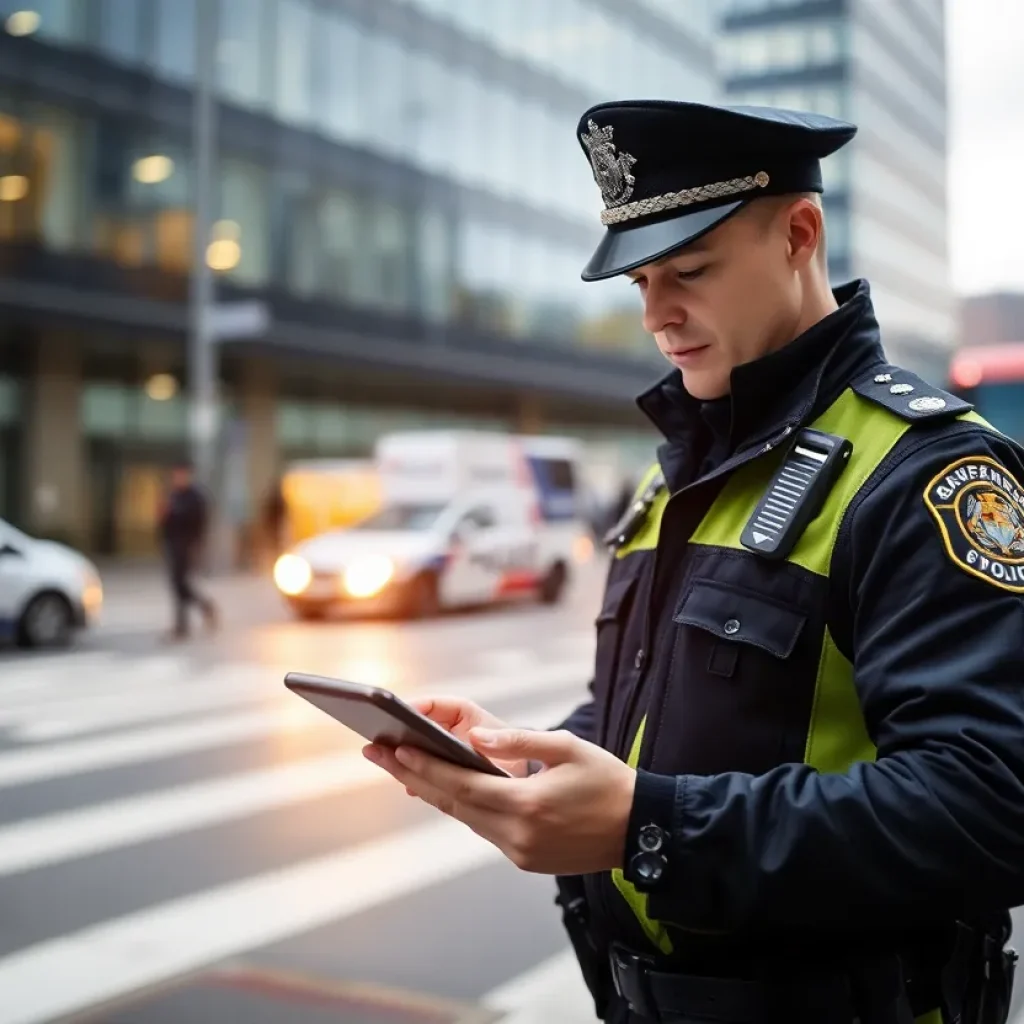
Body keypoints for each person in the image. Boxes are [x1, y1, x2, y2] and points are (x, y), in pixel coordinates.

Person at [362, 100, 1024, 1023]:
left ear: (800, 233)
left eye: (690, 270)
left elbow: (991, 803)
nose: (656, 315)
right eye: (639, 281)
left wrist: (648, 826)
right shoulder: (678, 470)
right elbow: (654, 712)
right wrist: (531, 758)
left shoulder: (930, 471)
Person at [159, 460, 218, 641]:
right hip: (173, 545)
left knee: (181, 584)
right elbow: (165, 522)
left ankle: (184, 624)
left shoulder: (195, 498)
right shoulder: (173, 496)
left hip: (187, 546)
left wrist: (197, 547)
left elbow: (200, 525)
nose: (178, 478)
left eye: (182, 475)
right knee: (178, 585)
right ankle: (204, 608)